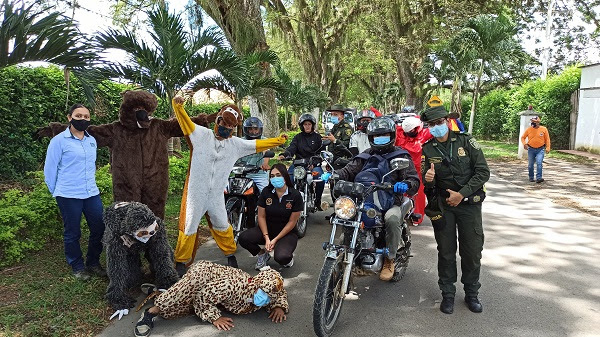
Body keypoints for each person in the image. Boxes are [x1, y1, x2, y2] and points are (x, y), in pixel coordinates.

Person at [171, 97, 287, 274]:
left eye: (231, 127)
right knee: (188, 226)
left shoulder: (235, 144)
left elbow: (256, 144)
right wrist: (178, 107)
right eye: (224, 124)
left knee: (222, 225)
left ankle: (230, 254)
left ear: (235, 128)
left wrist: (277, 141)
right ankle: (180, 261)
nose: (226, 129)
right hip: (196, 194)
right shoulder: (201, 135)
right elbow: (185, 123)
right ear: (218, 120)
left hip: (216, 195)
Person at [327, 117, 420, 281]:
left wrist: (404, 184)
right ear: (371, 137)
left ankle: (390, 259)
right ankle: (350, 251)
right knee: (346, 216)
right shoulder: (365, 155)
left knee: (391, 219)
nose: (380, 138)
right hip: (365, 199)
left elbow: (414, 179)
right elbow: (348, 170)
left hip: (391, 200)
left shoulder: (401, 155)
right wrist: (334, 174)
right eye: (377, 136)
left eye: (384, 135)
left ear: (392, 135)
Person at [421, 105, 490, 315]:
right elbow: (427, 181)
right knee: (446, 252)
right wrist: (429, 180)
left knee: (472, 252)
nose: (436, 127)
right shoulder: (428, 148)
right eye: (432, 124)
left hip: (468, 205)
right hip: (445, 206)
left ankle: (471, 294)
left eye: (439, 122)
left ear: (447, 121)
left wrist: (462, 193)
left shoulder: (466, 142)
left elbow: (482, 172)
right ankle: (448, 295)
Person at [133, 260, 289, 337]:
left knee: (173, 313)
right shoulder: (232, 286)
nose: (266, 299)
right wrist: (215, 318)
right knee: (176, 297)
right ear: (255, 285)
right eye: (264, 294)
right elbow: (204, 297)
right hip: (203, 274)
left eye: (269, 297)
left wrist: (278, 307)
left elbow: (279, 294)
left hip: (215, 289)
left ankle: (157, 292)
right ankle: (150, 312)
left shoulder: (266, 289)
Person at [43, 103, 106, 281]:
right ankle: (77, 266)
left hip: (91, 192)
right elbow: (50, 170)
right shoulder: (59, 141)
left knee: (99, 228)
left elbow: (90, 166)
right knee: (72, 232)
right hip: (68, 194)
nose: (83, 119)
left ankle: (93, 263)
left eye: (86, 117)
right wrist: (56, 191)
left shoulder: (91, 140)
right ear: (69, 117)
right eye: (78, 116)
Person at [239, 163, 303, 269]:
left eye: (278, 175)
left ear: (285, 176)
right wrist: (267, 238)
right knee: (244, 238)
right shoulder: (266, 192)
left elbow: (292, 222)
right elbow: (261, 216)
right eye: (272, 176)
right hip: (267, 230)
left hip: (287, 233)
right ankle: (262, 254)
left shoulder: (295, 195)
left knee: (282, 257)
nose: (275, 178)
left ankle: (288, 258)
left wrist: (275, 240)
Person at [278, 113, 325, 210]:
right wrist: (285, 155)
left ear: (312, 125)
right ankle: (288, 202)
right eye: (305, 124)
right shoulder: (297, 137)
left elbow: (321, 153)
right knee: (288, 178)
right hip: (298, 164)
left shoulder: (318, 138)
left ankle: (317, 201)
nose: (307, 126)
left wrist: (315, 163)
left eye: (309, 124)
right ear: (302, 126)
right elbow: (292, 148)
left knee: (321, 179)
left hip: (313, 164)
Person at [395, 116, 433, 225]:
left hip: (418, 169)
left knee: (419, 193)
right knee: (402, 190)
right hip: (403, 167)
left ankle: (417, 216)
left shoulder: (424, 134)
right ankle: (404, 213)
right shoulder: (400, 132)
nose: (411, 132)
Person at [521, 115, 551, 183]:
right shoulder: (529, 129)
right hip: (531, 149)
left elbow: (547, 139)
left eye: (534, 122)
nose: (532, 123)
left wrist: (548, 147)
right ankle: (531, 177)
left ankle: (539, 178)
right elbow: (523, 137)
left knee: (539, 163)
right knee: (530, 164)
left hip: (540, 149)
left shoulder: (544, 129)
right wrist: (524, 144)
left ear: (538, 122)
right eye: (532, 121)